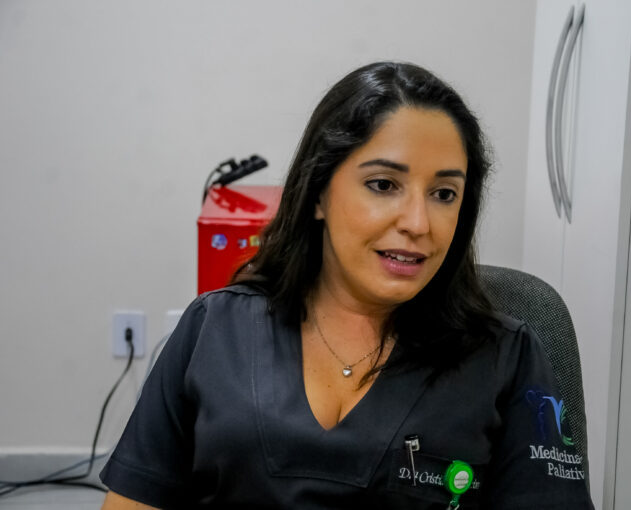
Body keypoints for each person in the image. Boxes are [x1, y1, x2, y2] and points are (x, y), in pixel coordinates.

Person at [99, 61, 594, 509]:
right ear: (318, 193)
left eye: (444, 193)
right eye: (384, 185)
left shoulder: (506, 358)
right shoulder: (214, 328)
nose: (418, 222)